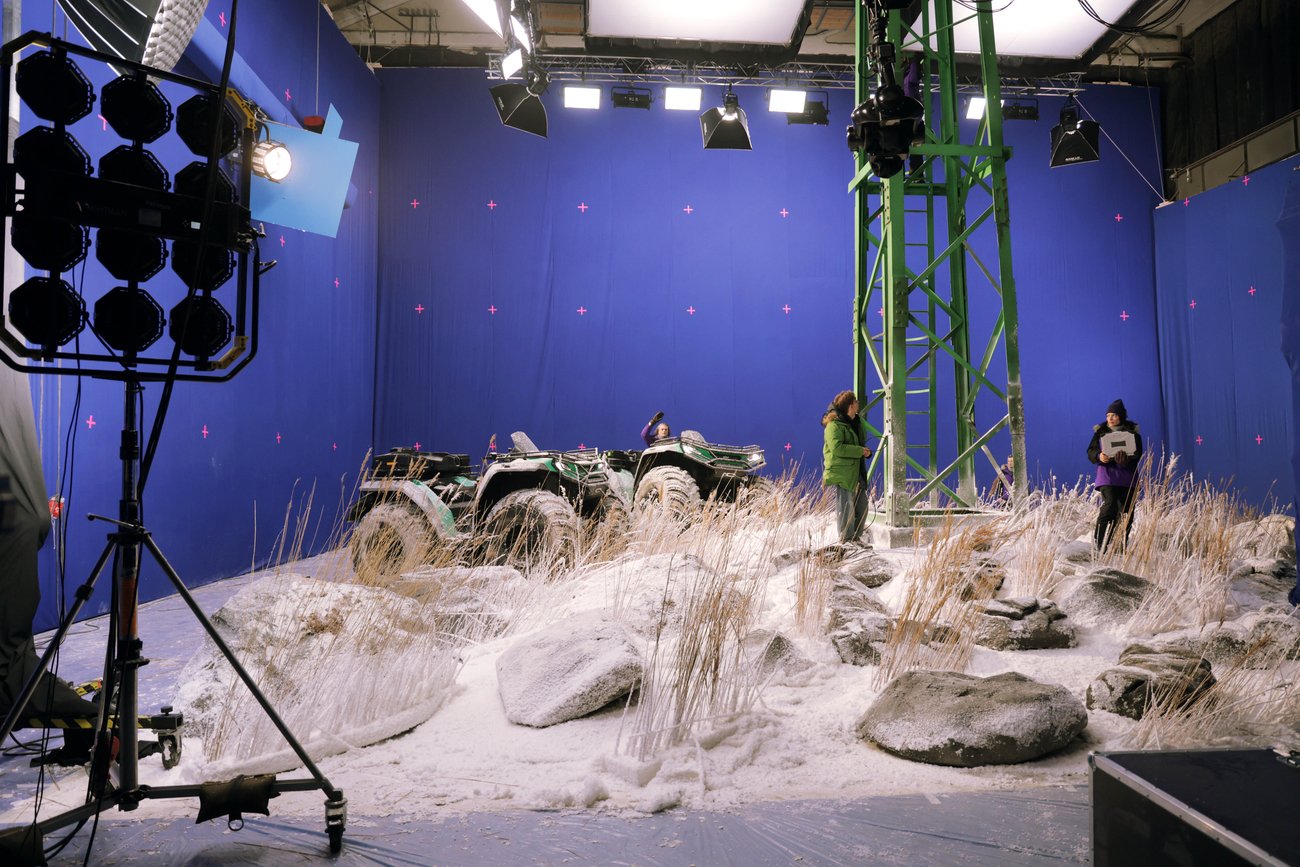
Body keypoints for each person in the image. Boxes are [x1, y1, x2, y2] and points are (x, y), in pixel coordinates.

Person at [1087, 399, 1143, 552]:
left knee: (1126, 512)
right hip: (1107, 476)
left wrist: (1126, 459)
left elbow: (1138, 454)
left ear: (1121, 416)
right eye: (1108, 415)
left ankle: (1120, 546)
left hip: (1127, 478)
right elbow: (1091, 451)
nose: (1110, 418)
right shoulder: (1100, 432)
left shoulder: (1133, 433)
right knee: (1109, 505)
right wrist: (1099, 456)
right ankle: (1100, 544)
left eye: (1114, 415)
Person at [822, 391, 873, 544]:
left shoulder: (854, 422)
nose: (858, 403)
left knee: (862, 506)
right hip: (842, 473)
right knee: (846, 507)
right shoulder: (833, 425)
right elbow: (837, 448)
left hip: (856, 471)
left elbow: (857, 445)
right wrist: (860, 451)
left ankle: (855, 538)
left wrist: (865, 452)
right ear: (850, 405)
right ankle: (846, 540)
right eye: (855, 401)